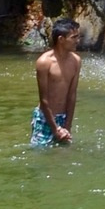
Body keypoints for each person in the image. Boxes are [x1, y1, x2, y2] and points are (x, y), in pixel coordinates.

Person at [33, 16, 83, 146]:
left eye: (78, 37)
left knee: (63, 156)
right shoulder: (44, 62)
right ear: (61, 39)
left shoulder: (76, 61)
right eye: (74, 37)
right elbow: (44, 100)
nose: (78, 41)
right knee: (41, 155)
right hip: (45, 117)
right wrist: (55, 129)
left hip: (64, 118)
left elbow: (72, 95)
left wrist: (67, 126)